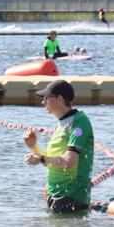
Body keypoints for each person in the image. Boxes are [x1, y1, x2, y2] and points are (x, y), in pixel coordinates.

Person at [22, 80, 95, 214]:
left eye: (46, 98)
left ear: (60, 99)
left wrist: (40, 158)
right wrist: (34, 147)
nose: (43, 102)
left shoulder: (79, 121)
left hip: (71, 196)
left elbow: (68, 162)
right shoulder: (60, 124)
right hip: (54, 194)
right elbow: (52, 161)